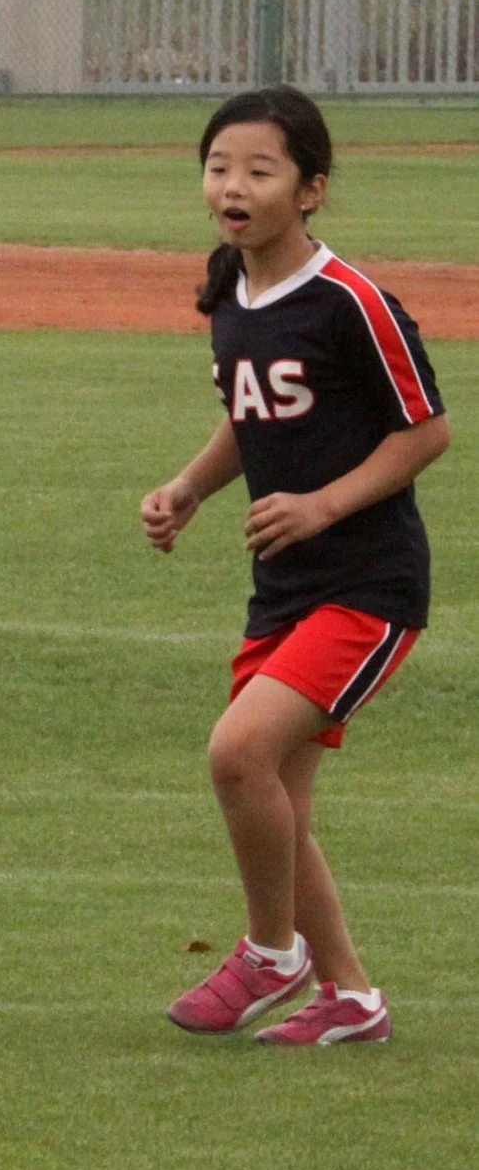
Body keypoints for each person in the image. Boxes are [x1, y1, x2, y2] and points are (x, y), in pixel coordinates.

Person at [142, 86, 447, 1048]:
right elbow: (252, 414)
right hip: (284, 591)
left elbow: (426, 432)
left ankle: (272, 954)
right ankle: (352, 998)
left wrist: (322, 504)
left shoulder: (351, 302)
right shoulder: (231, 291)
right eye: (219, 166)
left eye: (259, 170)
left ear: (311, 190)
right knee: (280, 809)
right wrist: (191, 488)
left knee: (238, 754)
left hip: (368, 587)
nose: (233, 185)